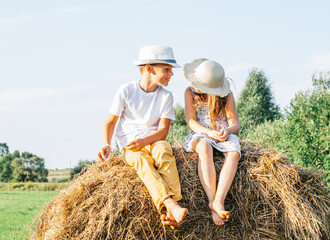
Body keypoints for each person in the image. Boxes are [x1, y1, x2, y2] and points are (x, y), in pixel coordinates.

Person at [97, 45, 187, 229]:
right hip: (130, 144)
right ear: (149, 68)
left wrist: (145, 141)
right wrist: (106, 143)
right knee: (142, 162)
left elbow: (163, 132)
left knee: (164, 151)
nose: (171, 74)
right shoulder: (126, 90)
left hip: (154, 140)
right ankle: (171, 204)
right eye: (167, 69)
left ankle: (171, 211)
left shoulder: (166, 96)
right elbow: (110, 122)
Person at [183, 58, 241, 225]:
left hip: (221, 133)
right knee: (204, 147)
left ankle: (219, 200)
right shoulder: (189, 92)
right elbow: (191, 122)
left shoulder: (227, 95)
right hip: (201, 132)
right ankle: (211, 201)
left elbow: (235, 124)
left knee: (234, 153)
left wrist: (227, 131)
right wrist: (208, 132)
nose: (193, 85)